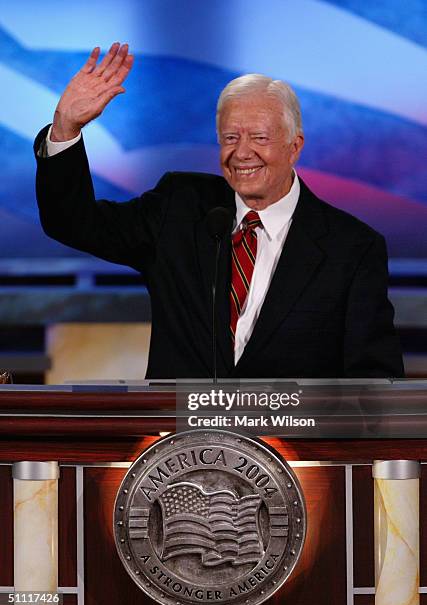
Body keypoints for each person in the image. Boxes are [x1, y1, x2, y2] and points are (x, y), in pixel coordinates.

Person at [34, 43, 404, 379]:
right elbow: (72, 222)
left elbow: (374, 382)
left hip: (292, 450)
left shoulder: (351, 248)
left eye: (259, 137)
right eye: (230, 137)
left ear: (294, 147)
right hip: (181, 448)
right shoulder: (178, 208)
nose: (242, 152)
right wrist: (66, 127)